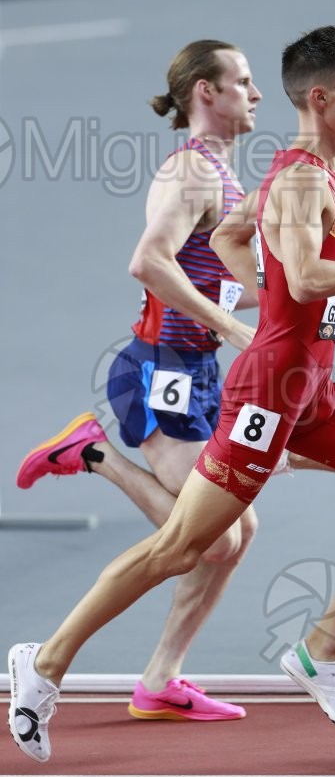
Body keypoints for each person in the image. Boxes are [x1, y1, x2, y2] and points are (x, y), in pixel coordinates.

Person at [8, 25, 335, 763]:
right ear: (322, 98)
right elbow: (306, 278)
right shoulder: (301, 177)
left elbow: (227, 242)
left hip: (312, 389)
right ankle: (44, 664)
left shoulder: (293, 172)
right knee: (185, 545)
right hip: (267, 392)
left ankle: (320, 649)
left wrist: (268, 301)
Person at [14, 39, 265, 724]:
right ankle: (92, 450)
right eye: (243, 81)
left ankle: (161, 679)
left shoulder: (221, 173)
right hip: (162, 372)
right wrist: (237, 326)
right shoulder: (192, 172)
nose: (258, 93)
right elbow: (148, 262)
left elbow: (202, 277)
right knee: (213, 537)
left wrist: (274, 302)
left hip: (198, 371)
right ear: (204, 93)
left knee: (239, 532)